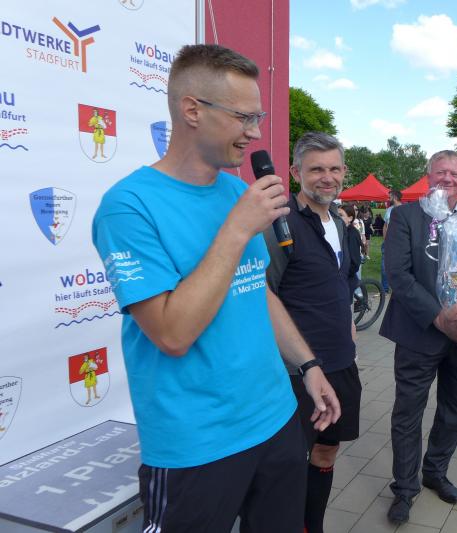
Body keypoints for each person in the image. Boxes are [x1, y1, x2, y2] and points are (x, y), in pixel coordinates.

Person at [92, 44, 340, 532]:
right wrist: (236, 229)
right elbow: (171, 334)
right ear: (192, 110)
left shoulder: (236, 192)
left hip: (276, 420)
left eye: (257, 117)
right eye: (243, 117)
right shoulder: (128, 206)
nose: (255, 132)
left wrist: (308, 365)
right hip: (197, 444)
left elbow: (257, 292)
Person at [381, 150, 457, 525]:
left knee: (454, 411)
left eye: (455, 174)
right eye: (441, 172)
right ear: (428, 176)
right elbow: (398, 274)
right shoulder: (406, 216)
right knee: (408, 414)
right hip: (419, 332)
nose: (448, 179)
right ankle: (404, 488)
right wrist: (439, 318)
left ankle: (435, 471)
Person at [265, 132, 361, 533]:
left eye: (334, 168)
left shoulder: (340, 222)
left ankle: (312, 526)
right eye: (316, 169)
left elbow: (344, 281)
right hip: (296, 372)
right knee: (288, 463)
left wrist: (349, 325)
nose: (327, 177)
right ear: (295, 172)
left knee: (326, 453)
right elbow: (264, 295)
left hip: (341, 363)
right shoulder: (279, 222)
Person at [381, 189, 403, 292]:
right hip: (388, 243)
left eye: (390, 196)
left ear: (395, 197)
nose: (388, 198)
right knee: (384, 266)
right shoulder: (389, 209)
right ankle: (384, 289)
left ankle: (398, 288)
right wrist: (385, 239)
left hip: (400, 243)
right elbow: (385, 225)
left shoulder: (404, 209)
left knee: (399, 266)